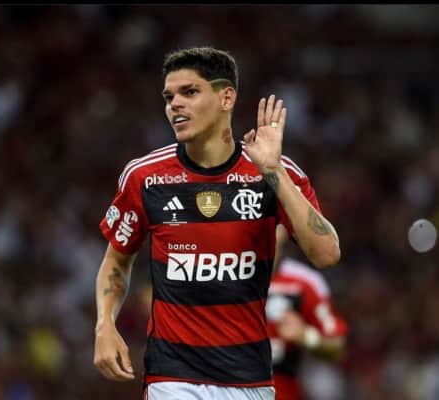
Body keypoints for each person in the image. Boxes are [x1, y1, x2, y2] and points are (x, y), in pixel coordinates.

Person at [94, 46, 341, 400]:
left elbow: (327, 254)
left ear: (226, 98)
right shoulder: (144, 177)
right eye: (169, 97)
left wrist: (274, 172)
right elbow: (117, 261)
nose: (175, 105)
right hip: (172, 376)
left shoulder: (272, 173)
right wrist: (105, 324)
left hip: (250, 380)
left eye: (189, 92)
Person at [267, 225, 348, 400]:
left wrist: (306, 336)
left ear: (284, 230)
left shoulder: (305, 282)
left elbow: (338, 346)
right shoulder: (220, 273)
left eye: (272, 224)